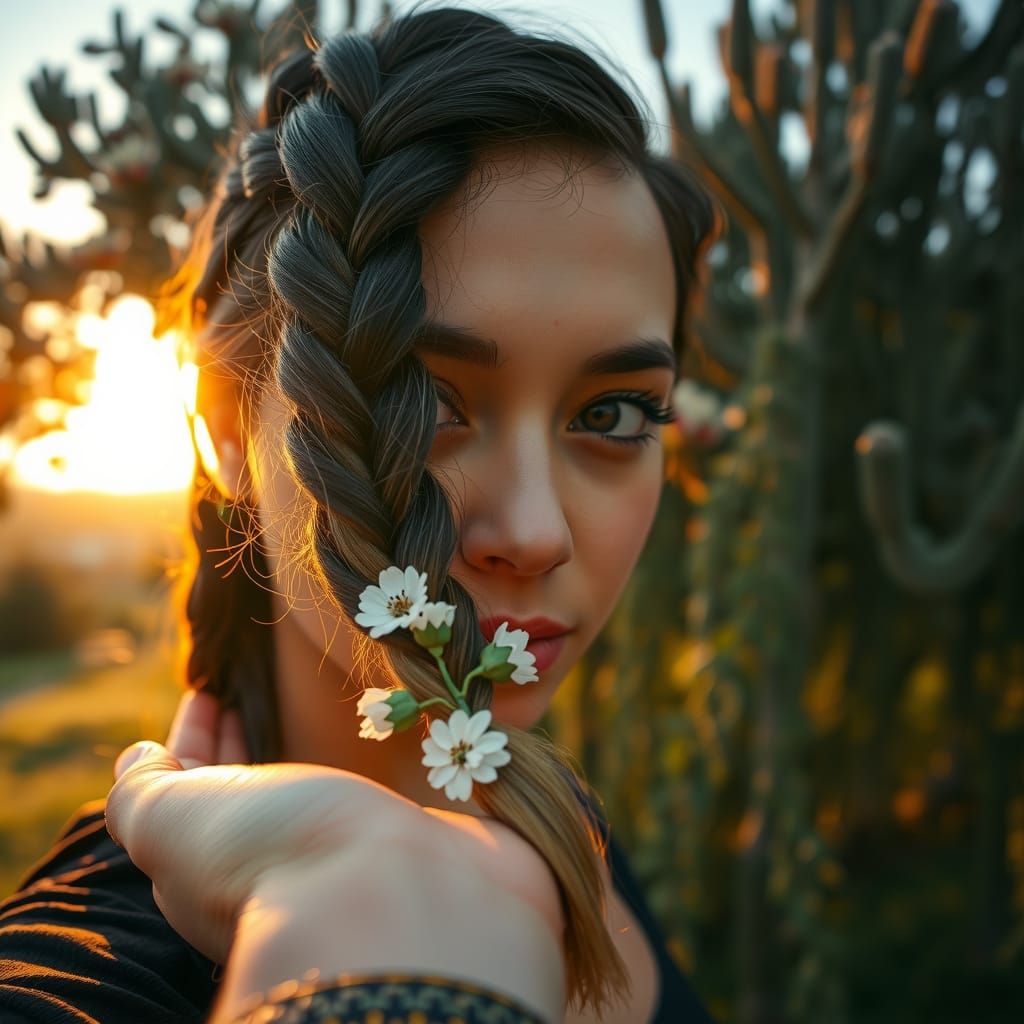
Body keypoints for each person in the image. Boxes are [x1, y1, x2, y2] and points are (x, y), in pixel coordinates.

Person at [0, 4, 717, 1022]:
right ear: (223, 433)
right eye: (422, 402)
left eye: (611, 413)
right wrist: (361, 928)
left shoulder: (560, 817)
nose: (537, 532)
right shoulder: (93, 968)